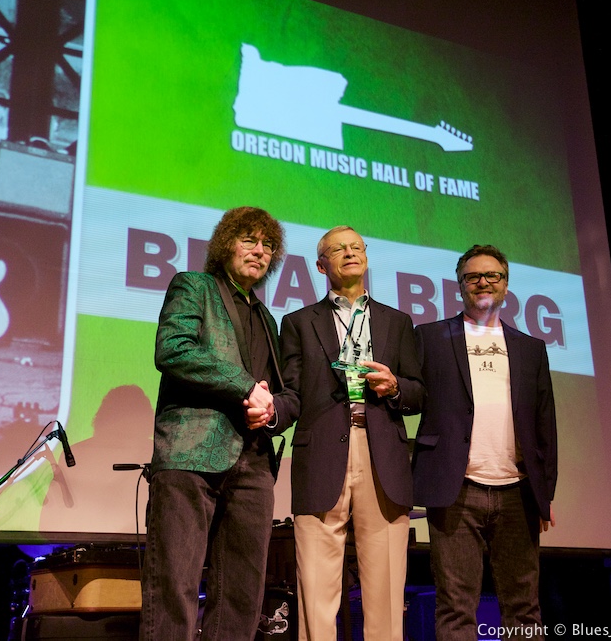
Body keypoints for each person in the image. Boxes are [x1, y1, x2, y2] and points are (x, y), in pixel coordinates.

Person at [142, 206, 291, 641]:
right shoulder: (195, 286)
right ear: (225, 243)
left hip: (255, 463)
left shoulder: (267, 317)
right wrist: (245, 386)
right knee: (175, 584)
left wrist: (271, 409)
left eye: (268, 245)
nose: (259, 250)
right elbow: (172, 349)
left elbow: (275, 391)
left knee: (243, 593)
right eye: (249, 239)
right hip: (191, 452)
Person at [280, 225, 425, 641]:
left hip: (382, 456)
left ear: (367, 257)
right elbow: (290, 391)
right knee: (316, 589)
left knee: (385, 591)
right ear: (320, 264)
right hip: (321, 454)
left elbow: (418, 394)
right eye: (338, 249)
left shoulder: (397, 322)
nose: (349, 253)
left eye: (357, 247)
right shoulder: (297, 322)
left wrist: (394, 386)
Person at [412, 244, 558, 641]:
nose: (483, 282)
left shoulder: (531, 348)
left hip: (518, 492)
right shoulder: (429, 337)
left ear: (506, 285)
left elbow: (545, 422)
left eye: (492, 275)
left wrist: (545, 494)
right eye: (473, 276)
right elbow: (409, 398)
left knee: (524, 608)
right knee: (456, 608)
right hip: (455, 488)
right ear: (460, 286)